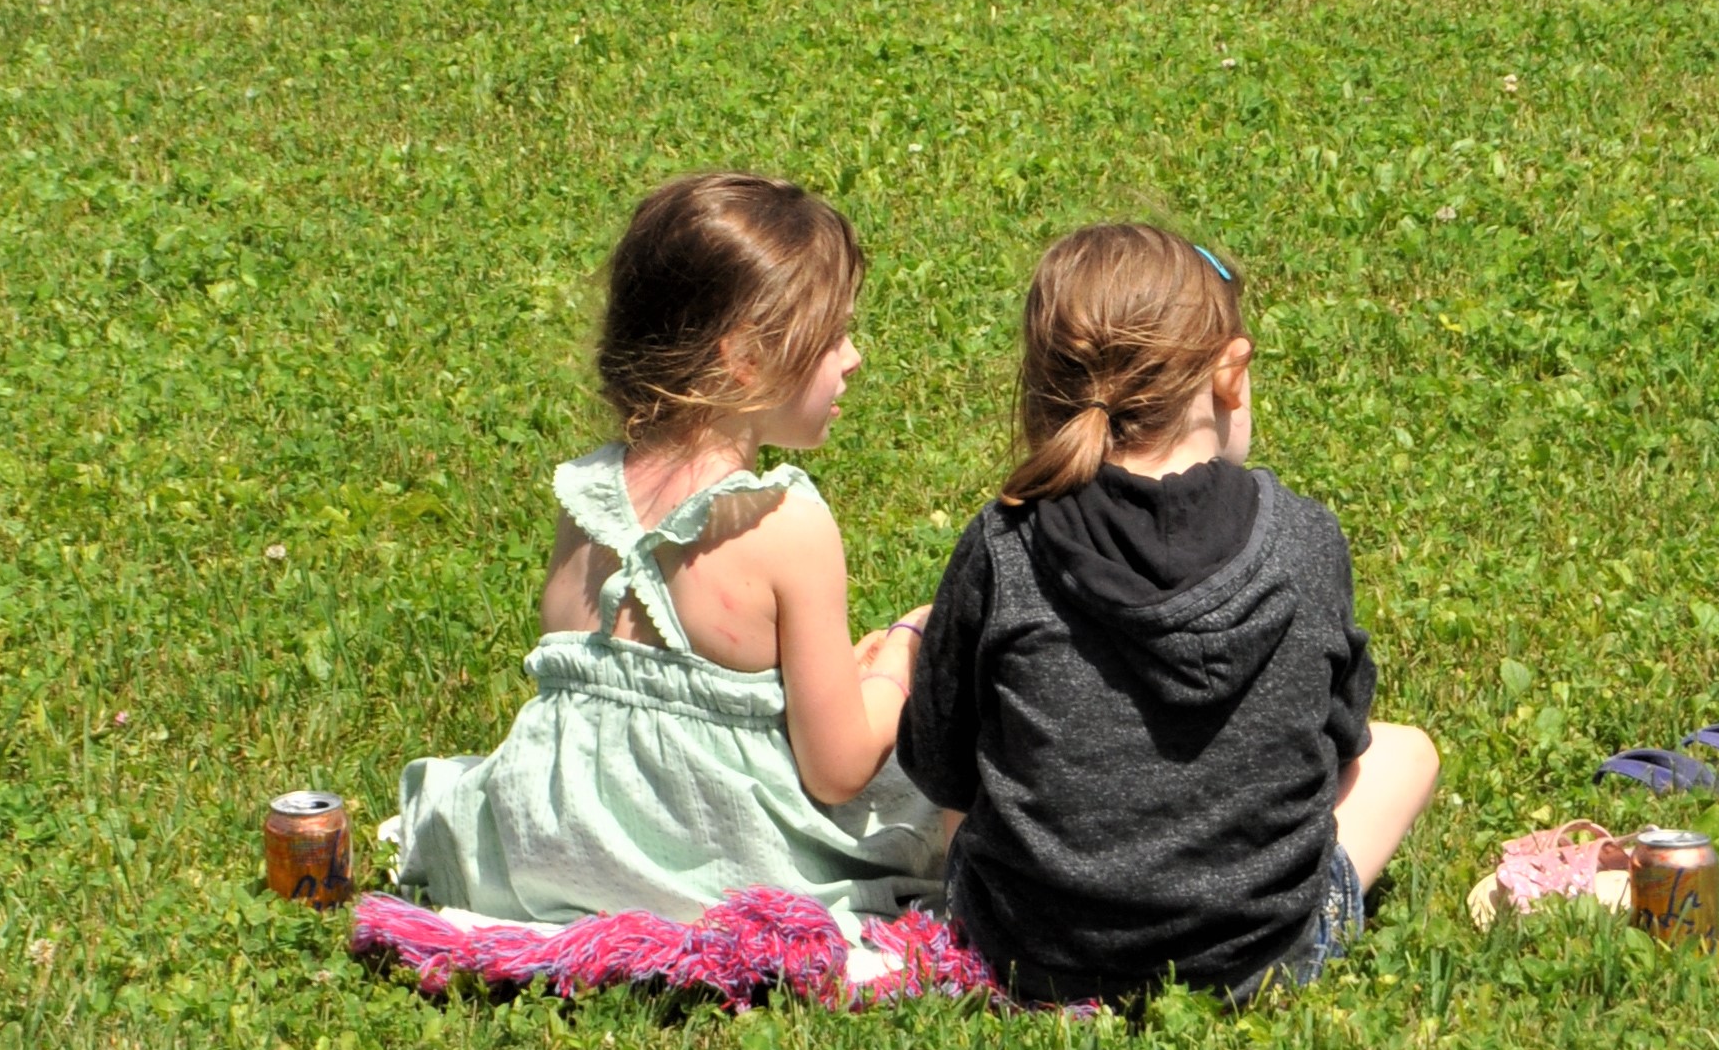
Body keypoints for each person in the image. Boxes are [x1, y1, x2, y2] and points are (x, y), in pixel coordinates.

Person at [394, 172, 953, 931]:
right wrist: (901, 661)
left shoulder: (581, 496)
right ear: (744, 360)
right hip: (720, 863)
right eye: (831, 338)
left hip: (555, 849)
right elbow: (837, 766)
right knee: (942, 789)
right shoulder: (784, 522)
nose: (852, 358)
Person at [898, 222, 1437, 1004]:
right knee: (1406, 751)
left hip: (1031, 960)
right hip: (1259, 959)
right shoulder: (1305, 538)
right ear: (1232, 373)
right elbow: (1341, 739)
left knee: (971, 782)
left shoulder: (1004, 543)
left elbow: (940, 764)